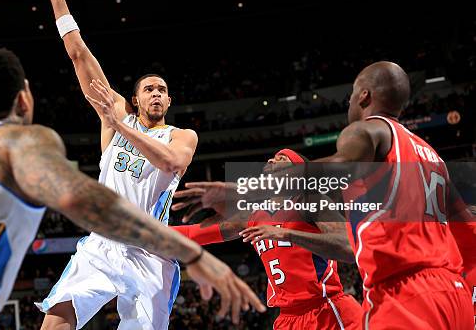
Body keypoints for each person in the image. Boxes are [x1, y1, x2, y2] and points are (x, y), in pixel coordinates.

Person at [0, 48, 264, 329]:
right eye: (149, 89)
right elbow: (82, 200)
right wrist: (191, 251)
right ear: (24, 100)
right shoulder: (22, 143)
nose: (155, 95)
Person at [176, 61, 475, 329]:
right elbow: (468, 232)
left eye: (281, 164)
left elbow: (339, 171)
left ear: (364, 96)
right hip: (451, 290)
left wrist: (245, 188)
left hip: (392, 294)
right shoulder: (430, 155)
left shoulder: (364, 133)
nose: (271, 166)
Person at [34, 0, 207, 330]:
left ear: (169, 101)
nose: (157, 94)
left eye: (162, 90)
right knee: (56, 322)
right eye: (149, 89)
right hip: (104, 242)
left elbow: (173, 163)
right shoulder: (115, 115)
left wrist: (123, 128)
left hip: (152, 251)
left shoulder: (180, 135)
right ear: (136, 98)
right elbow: (78, 54)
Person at [173, 149, 362, 329]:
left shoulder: (310, 199)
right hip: (286, 319)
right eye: (272, 159)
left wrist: (288, 234)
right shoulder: (251, 215)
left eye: (282, 158)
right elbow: (193, 234)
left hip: (327, 311)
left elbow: (349, 248)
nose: (271, 161)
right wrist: (148, 231)